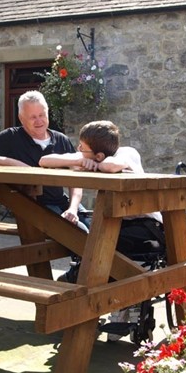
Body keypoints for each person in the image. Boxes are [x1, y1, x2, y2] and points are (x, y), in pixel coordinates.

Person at [39, 120, 165, 341]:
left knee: (97, 249)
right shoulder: (88, 156)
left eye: (82, 148)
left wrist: (96, 163)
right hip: (116, 225)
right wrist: (81, 159)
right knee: (85, 243)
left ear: (98, 154)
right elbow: (44, 160)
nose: (78, 149)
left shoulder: (127, 152)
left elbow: (111, 166)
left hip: (146, 229)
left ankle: (119, 300)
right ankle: (111, 301)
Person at [0, 90, 90, 231]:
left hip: (64, 202)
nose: (39, 121)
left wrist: (73, 209)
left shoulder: (61, 140)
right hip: (33, 207)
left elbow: (75, 181)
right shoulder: (12, 137)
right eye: (32, 117)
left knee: (99, 230)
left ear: (48, 112)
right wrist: (13, 163)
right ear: (21, 118)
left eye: (42, 115)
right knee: (80, 233)